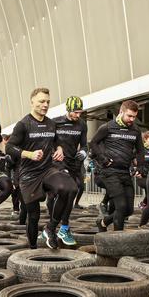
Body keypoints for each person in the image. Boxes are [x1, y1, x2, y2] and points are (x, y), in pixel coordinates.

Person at [6, 87, 78, 249]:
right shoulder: (23, 124)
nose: (45, 105)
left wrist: (59, 149)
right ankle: (32, 249)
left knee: (69, 188)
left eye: (47, 102)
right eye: (41, 101)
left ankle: (50, 228)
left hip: (47, 170)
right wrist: (28, 154)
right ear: (32, 102)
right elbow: (9, 147)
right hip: (29, 175)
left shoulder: (51, 124)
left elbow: (57, 141)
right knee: (33, 216)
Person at [91, 100, 145, 232]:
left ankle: (103, 222)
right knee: (121, 207)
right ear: (121, 112)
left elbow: (140, 150)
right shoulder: (107, 127)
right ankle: (117, 240)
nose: (132, 119)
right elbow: (93, 143)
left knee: (128, 210)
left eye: (134, 116)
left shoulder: (136, 130)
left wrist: (141, 167)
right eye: (129, 116)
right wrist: (103, 159)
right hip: (109, 172)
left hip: (125, 172)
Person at [49, 95, 88, 245]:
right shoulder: (55, 122)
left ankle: (61, 228)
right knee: (64, 193)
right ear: (68, 110)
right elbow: (48, 142)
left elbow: (84, 144)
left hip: (74, 163)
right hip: (58, 163)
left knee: (72, 193)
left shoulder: (82, 124)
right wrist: (56, 148)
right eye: (76, 112)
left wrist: (84, 153)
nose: (78, 115)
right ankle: (58, 227)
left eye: (80, 112)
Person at [136, 130, 149, 209]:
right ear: (145, 139)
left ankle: (144, 204)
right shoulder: (141, 149)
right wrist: (135, 171)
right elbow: (131, 159)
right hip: (142, 176)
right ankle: (144, 204)